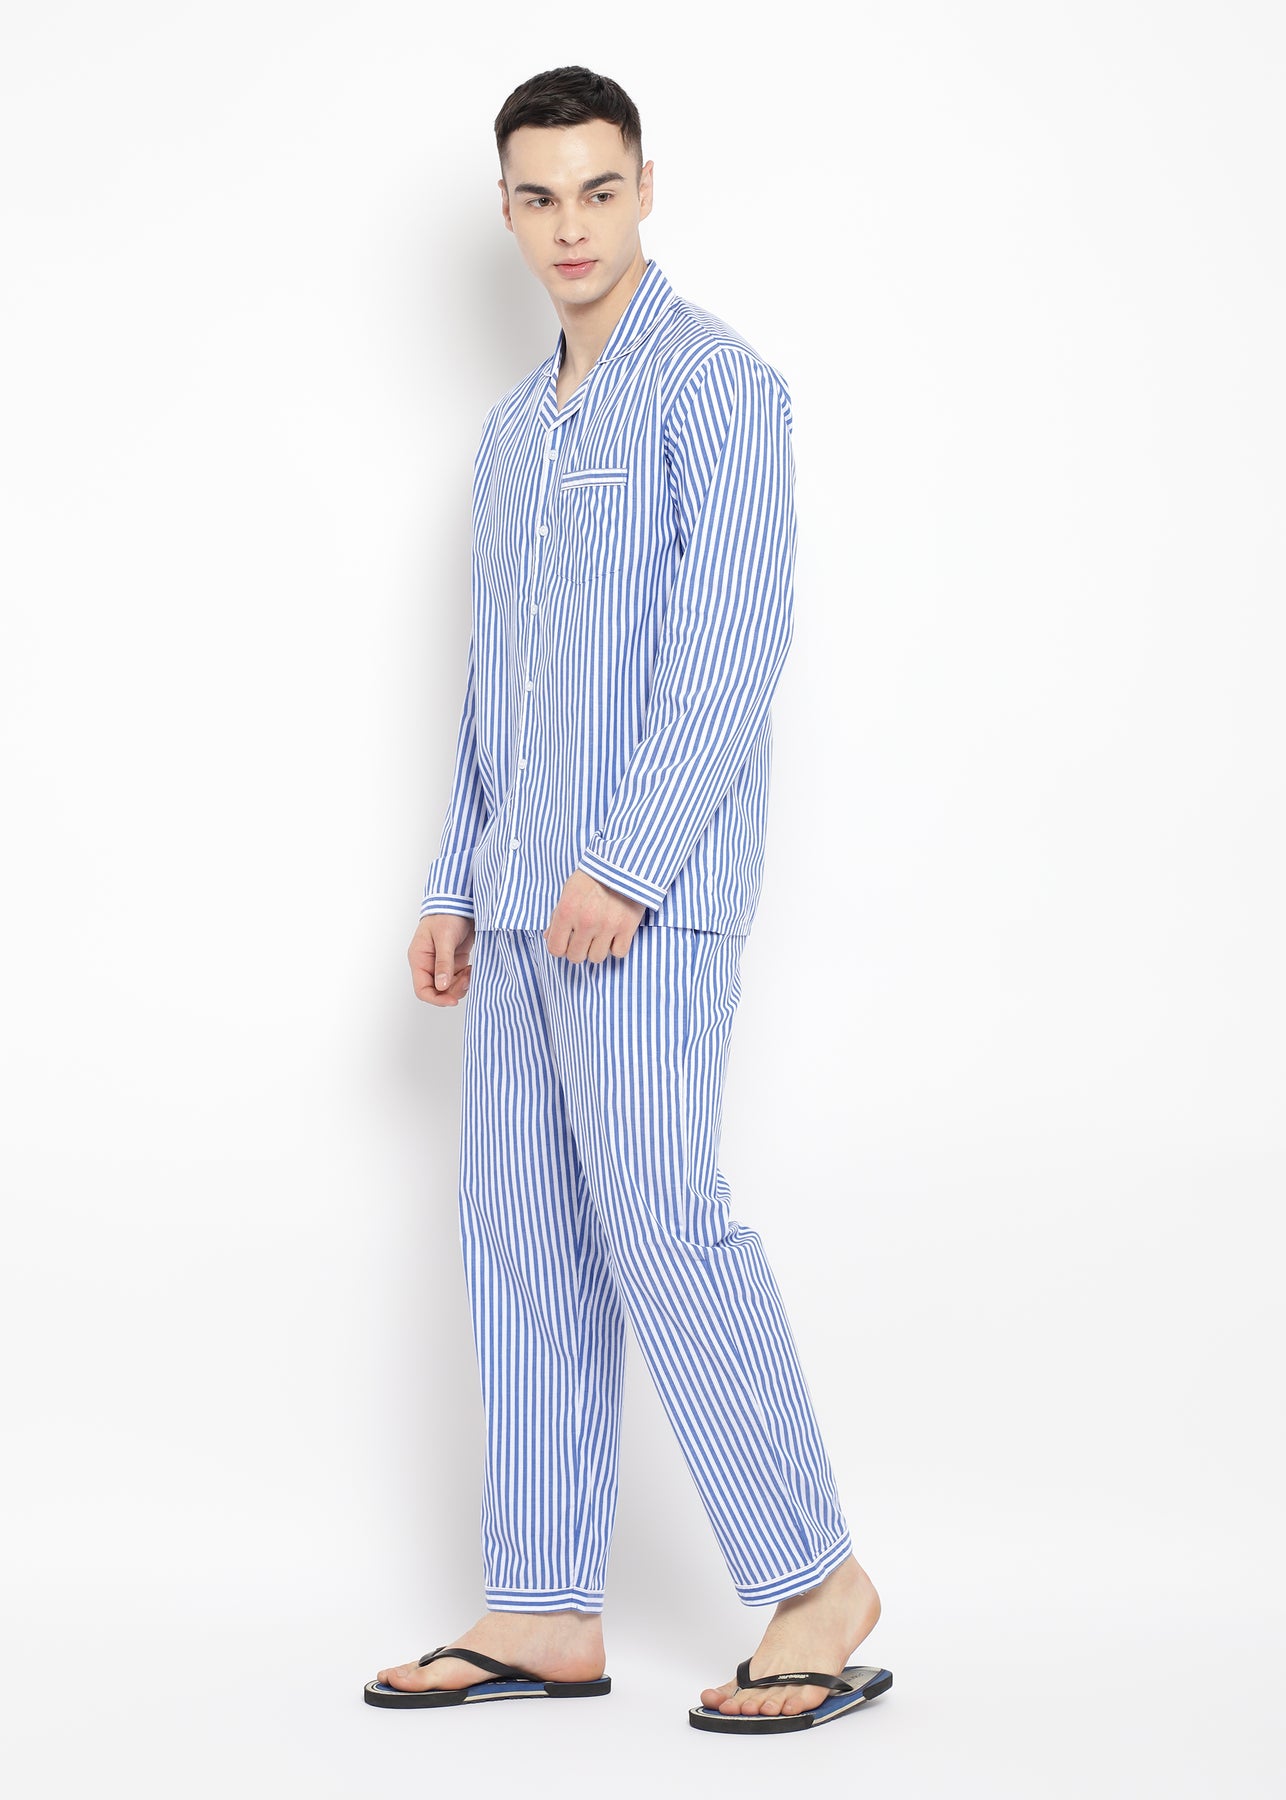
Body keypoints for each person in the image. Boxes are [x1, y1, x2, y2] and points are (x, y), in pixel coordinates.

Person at [364, 65, 890, 1734]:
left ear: (644, 188)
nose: (570, 226)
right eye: (538, 197)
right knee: (518, 1227)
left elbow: (732, 646)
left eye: (598, 190)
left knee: (663, 1221)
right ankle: (543, 1605)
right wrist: (455, 878)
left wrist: (627, 861)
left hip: (643, 905)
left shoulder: (718, 388)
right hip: (520, 900)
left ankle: (816, 1581)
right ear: (506, 209)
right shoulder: (513, 432)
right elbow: (495, 682)